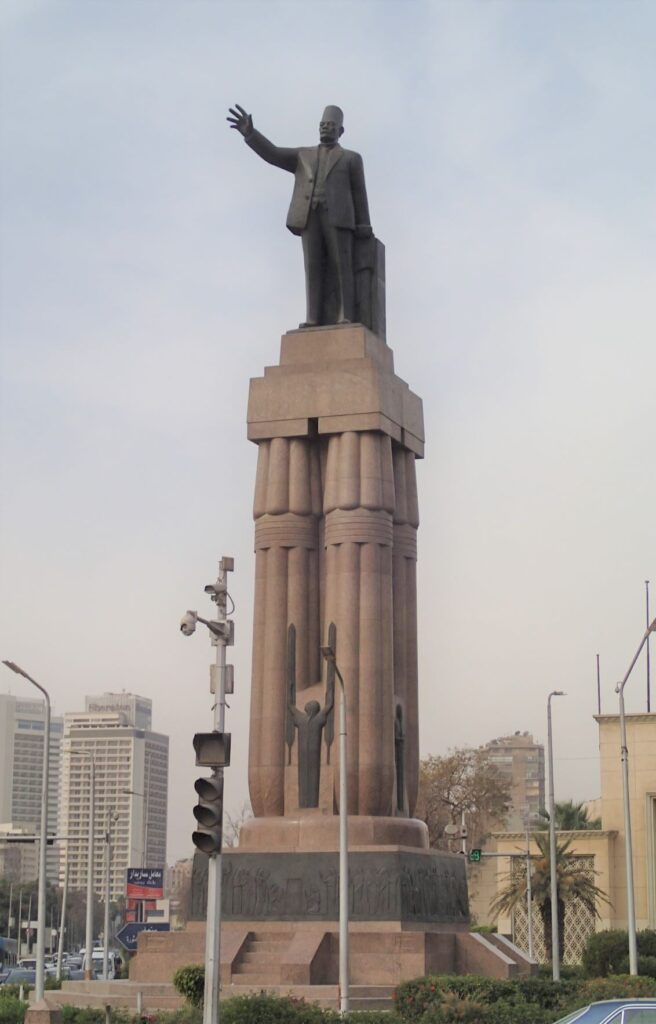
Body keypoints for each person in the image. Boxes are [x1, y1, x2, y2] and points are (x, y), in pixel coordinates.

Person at [227, 103, 372, 327]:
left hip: (340, 218)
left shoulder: (352, 158)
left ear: (340, 131)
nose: (326, 128)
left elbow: (359, 192)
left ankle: (346, 315)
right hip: (308, 216)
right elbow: (273, 154)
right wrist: (251, 134)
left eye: (331, 125)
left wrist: (364, 224)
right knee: (312, 268)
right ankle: (312, 317)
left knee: (342, 267)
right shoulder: (303, 155)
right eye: (323, 125)